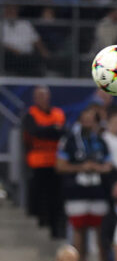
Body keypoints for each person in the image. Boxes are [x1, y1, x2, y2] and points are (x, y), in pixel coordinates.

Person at [57, 104, 114, 261]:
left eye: (92, 118)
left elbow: (109, 165)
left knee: (100, 229)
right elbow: (60, 166)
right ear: (80, 120)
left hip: (97, 191)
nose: (88, 122)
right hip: (77, 190)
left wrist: (96, 167)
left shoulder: (102, 141)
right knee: (79, 228)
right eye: (85, 118)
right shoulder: (70, 140)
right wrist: (81, 167)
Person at [22, 85, 66, 238]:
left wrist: (46, 131)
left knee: (56, 199)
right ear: (34, 98)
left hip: (56, 163)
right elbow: (34, 132)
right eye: (38, 96)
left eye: (44, 95)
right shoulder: (30, 114)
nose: (42, 99)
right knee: (39, 197)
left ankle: (56, 230)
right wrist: (52, 130)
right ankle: (40, 225)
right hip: (38, 163)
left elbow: (62, 133)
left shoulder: (58, 113)